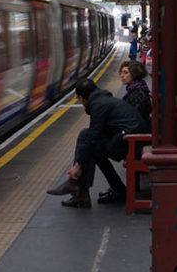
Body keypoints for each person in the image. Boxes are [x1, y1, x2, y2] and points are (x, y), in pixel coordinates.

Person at [47, 77, 134, 207]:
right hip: (130, 139)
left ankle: (78, 189)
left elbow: (93, 136)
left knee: (88, 140)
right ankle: (89, 191)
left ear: (81, 98)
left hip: (131, 142)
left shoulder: (98, 105)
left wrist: (78, 165)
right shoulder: (103, 100)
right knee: (91, 144)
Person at [119, 59, 153, 136]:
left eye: (125, 72)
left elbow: (133, 117)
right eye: (121, 72)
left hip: (137, 132)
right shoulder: (137, 88)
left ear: (135, 74)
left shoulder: (138, 93)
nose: (122, 75)